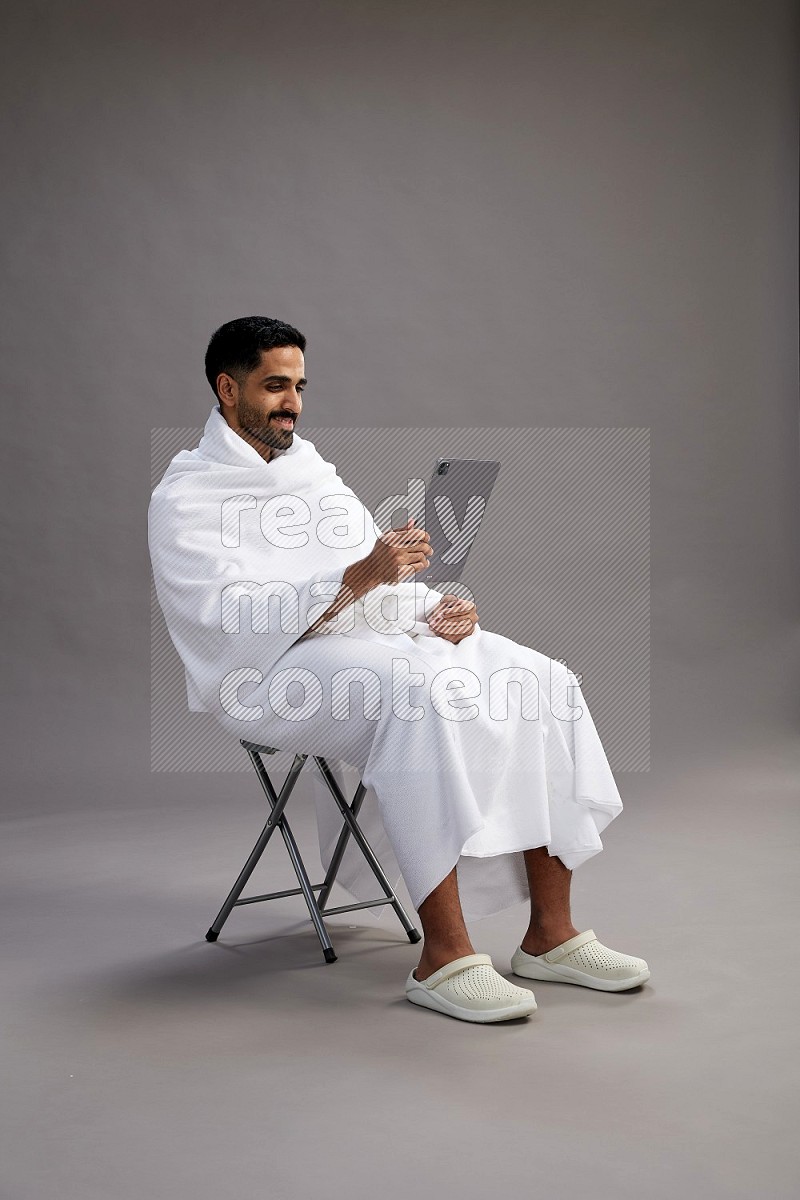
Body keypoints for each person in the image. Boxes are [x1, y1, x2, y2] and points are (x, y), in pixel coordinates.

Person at [148, 315, 650, 1024]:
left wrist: (433, 608)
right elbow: (224, 618)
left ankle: (550, 936)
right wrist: (354, 580)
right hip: (261, 677)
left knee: (538, 676)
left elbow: (375, 575)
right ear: (227, 389)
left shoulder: (309, 471)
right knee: (417, 693)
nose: (291, 401)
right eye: (274, 386)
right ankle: (443, 956)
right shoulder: (185, 496)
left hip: (347, 640)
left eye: (298, 386)